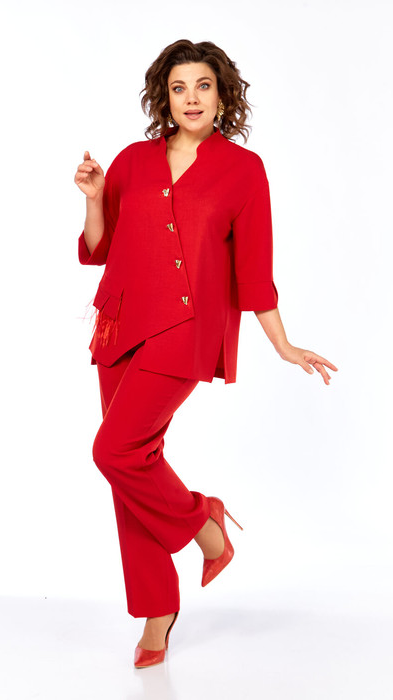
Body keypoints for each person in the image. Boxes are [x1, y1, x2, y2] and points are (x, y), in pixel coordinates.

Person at [74, 39, 338, 669]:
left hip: (187, 330)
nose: (191, 99)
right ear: (163, 98)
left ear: (222, 95)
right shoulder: (133, 160)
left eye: (203, 86)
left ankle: (204, 526)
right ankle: (157, 611)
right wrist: (94, 197)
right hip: (120, 324)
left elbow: (254, 269)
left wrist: (282, 342)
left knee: (113, 451)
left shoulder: (243, 170)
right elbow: (99, 248)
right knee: (130, 467)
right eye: (178, 88)